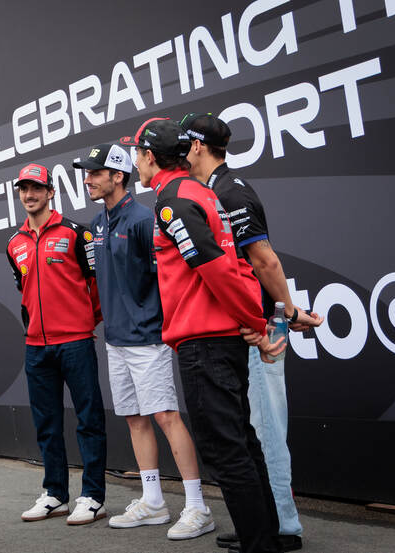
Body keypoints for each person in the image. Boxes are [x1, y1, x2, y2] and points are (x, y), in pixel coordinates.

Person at [125, 118, 285, 553]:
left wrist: (254, 322)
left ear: (150, 157)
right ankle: (268, 535)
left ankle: (261, 545)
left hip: (205, 344)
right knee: (242, 444)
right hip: (218, 340)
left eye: (137, 154)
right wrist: (251, 319)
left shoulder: (173, 200)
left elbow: (216, 268)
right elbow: (235, 267)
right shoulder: (201, 193)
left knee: (227, 451)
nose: (135, 163)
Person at [180, 113, 324, 552]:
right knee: (251, 429)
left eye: (185, 145)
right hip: (245, 329)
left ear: (199, 147)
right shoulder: (211, 192)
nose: (180, 154)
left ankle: (282, 528)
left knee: (264, 431)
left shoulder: (229, 191)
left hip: (260, 329)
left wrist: (285, 312)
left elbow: (265, 261)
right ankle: (264, 523)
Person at [77, 144, 213, 539]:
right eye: (87, 173)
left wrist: (158, 325)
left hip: (148, 339)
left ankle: (197, 506)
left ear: (118, 176)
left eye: (95, 172)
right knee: (135, 420)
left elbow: (165, 280)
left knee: (166, 416)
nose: (88, 179)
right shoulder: (97, 224)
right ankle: (153, 502)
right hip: (116, 340)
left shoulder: (143, 219)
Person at [5, 163, 108, 526]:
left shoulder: (76, 234)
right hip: (36, 346)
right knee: (46, 423)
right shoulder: (14, 243)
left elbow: (95, 288)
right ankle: (55, 494)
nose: (29, 195)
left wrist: (82, 323)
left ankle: (93, 496)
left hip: (76, 342)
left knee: (88, 421)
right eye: (23, 189)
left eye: (36, 188)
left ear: (51, 192)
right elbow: (24, 292)